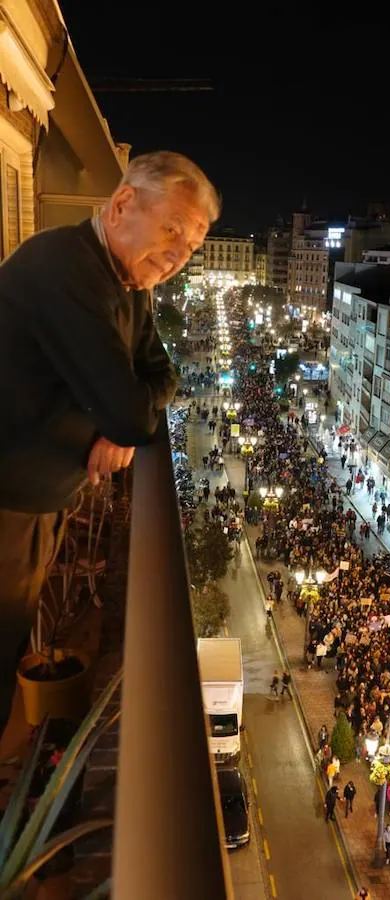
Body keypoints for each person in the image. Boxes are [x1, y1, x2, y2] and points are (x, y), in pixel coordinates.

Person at [0, 150, 219, 740]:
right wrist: (118, 419)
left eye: (191, 246)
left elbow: (161, 375)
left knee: (15, 642)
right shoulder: (67, 269)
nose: (177, 254)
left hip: (36, 505)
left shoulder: (130, 282)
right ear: (123, 204)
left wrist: (121, 416)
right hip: (7, 508)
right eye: (171, 229)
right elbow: (132, 415)